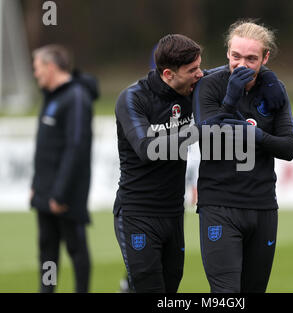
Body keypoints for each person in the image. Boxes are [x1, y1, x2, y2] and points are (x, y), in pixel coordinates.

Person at [193, 20, 293, 293]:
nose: (242, 65)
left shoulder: (274, 89)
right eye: (236, 56)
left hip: (262, 206)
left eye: (252, 58)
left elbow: (289, 148)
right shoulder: (210, 85)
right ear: (227, 52)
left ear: (265, 58)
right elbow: (207, 134)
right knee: (226, 295)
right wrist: (230, 99)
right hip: (219, 204)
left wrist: (256, 136)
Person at [113, 34, 204, 293]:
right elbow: (146, 148)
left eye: (200, 66)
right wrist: (198, 130)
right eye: (193, 70)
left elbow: (233, 72)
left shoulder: (194, 85)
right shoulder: (133, 98)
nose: (200, 74)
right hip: (137, 213)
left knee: (170, 289)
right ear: (168, 74)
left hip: (174, 212)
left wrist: (269, 83)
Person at [30, 44, 99, 293]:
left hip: (66, 194)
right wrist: (36, 186)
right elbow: (47, 149)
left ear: (50, 67)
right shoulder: (52, 96)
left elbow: (76, 147)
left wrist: (60, 193)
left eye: (37, 68)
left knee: (75, 248)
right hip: (45, 191)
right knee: (47, 250)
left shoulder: (76, 97)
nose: (35, 74)